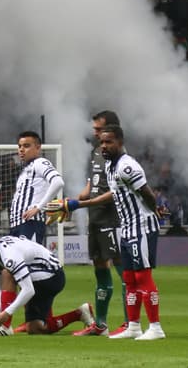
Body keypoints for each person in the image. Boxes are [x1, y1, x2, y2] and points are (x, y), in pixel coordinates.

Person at [60, 125, 167, 341]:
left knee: (142, 276)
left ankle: (155, 327)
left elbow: (146, 192)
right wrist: (80, 204)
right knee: (129, 277)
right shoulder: (110, 166)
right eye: (101, 142)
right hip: (127, 228)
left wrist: (155, 210)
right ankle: (134, 326)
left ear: (119, 142)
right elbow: (114, 194)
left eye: (108, 142)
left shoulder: (127, 166)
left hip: (141, 227)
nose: (104, 146)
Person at [0, 228, 94, 336]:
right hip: (38, 276)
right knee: (35, 328)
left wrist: (7, 313)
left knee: (7, 272)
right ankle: (80, 313)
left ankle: (5, 327)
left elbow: (28, 290)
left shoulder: (8, 254)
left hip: (52, 276)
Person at [69, 111, 125, 336]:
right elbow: (91, 185)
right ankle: (100, 324)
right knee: (100, 269)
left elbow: (115, 192)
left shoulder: (119, 158)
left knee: (125, 272)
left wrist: (82, 203)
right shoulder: (96, 151)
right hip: (95, 218)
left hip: (113, 219)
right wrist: (73, 201)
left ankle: (130, 323)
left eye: (99, 129)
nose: (94, 132)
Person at [9, 131, 63, 245]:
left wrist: (38, 207)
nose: (21, 149)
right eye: (20, 146)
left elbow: (58, 182)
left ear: (38, 148)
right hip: (17, 223)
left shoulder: (40, 162)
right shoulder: (25, 170)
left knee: (28, 261)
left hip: (30, 223)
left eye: (26, 146)